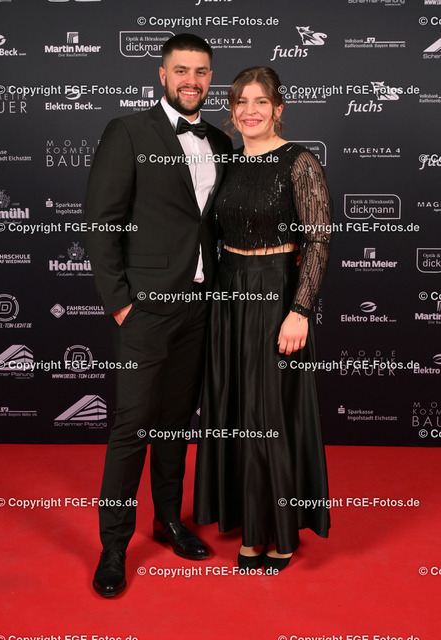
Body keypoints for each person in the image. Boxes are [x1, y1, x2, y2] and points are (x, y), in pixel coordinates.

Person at [84, 33, 232, 597]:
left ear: (209, 78)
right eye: (182, 70)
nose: (192, 80)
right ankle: (114, 547)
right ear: (163, 75)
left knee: (174, 422)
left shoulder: (221, 141)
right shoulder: (127, 131)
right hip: (144, 309)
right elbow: (101, 220)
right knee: (132, 427)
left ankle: (169, 520)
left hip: (199, 306)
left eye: (202, 71)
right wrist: (120, 301)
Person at [193, 66, 332, 573]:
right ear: (232, 110)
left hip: (276, 296)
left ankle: (280, 531)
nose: (249, 111)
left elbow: (318, 240)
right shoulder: (226, 162)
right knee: (234, 409)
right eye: (241, 102)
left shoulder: (300, 162)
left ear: (278, 108)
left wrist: (300, 310)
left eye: (260, 102)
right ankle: (249, 523)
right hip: (229, 294)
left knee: (270, 415)